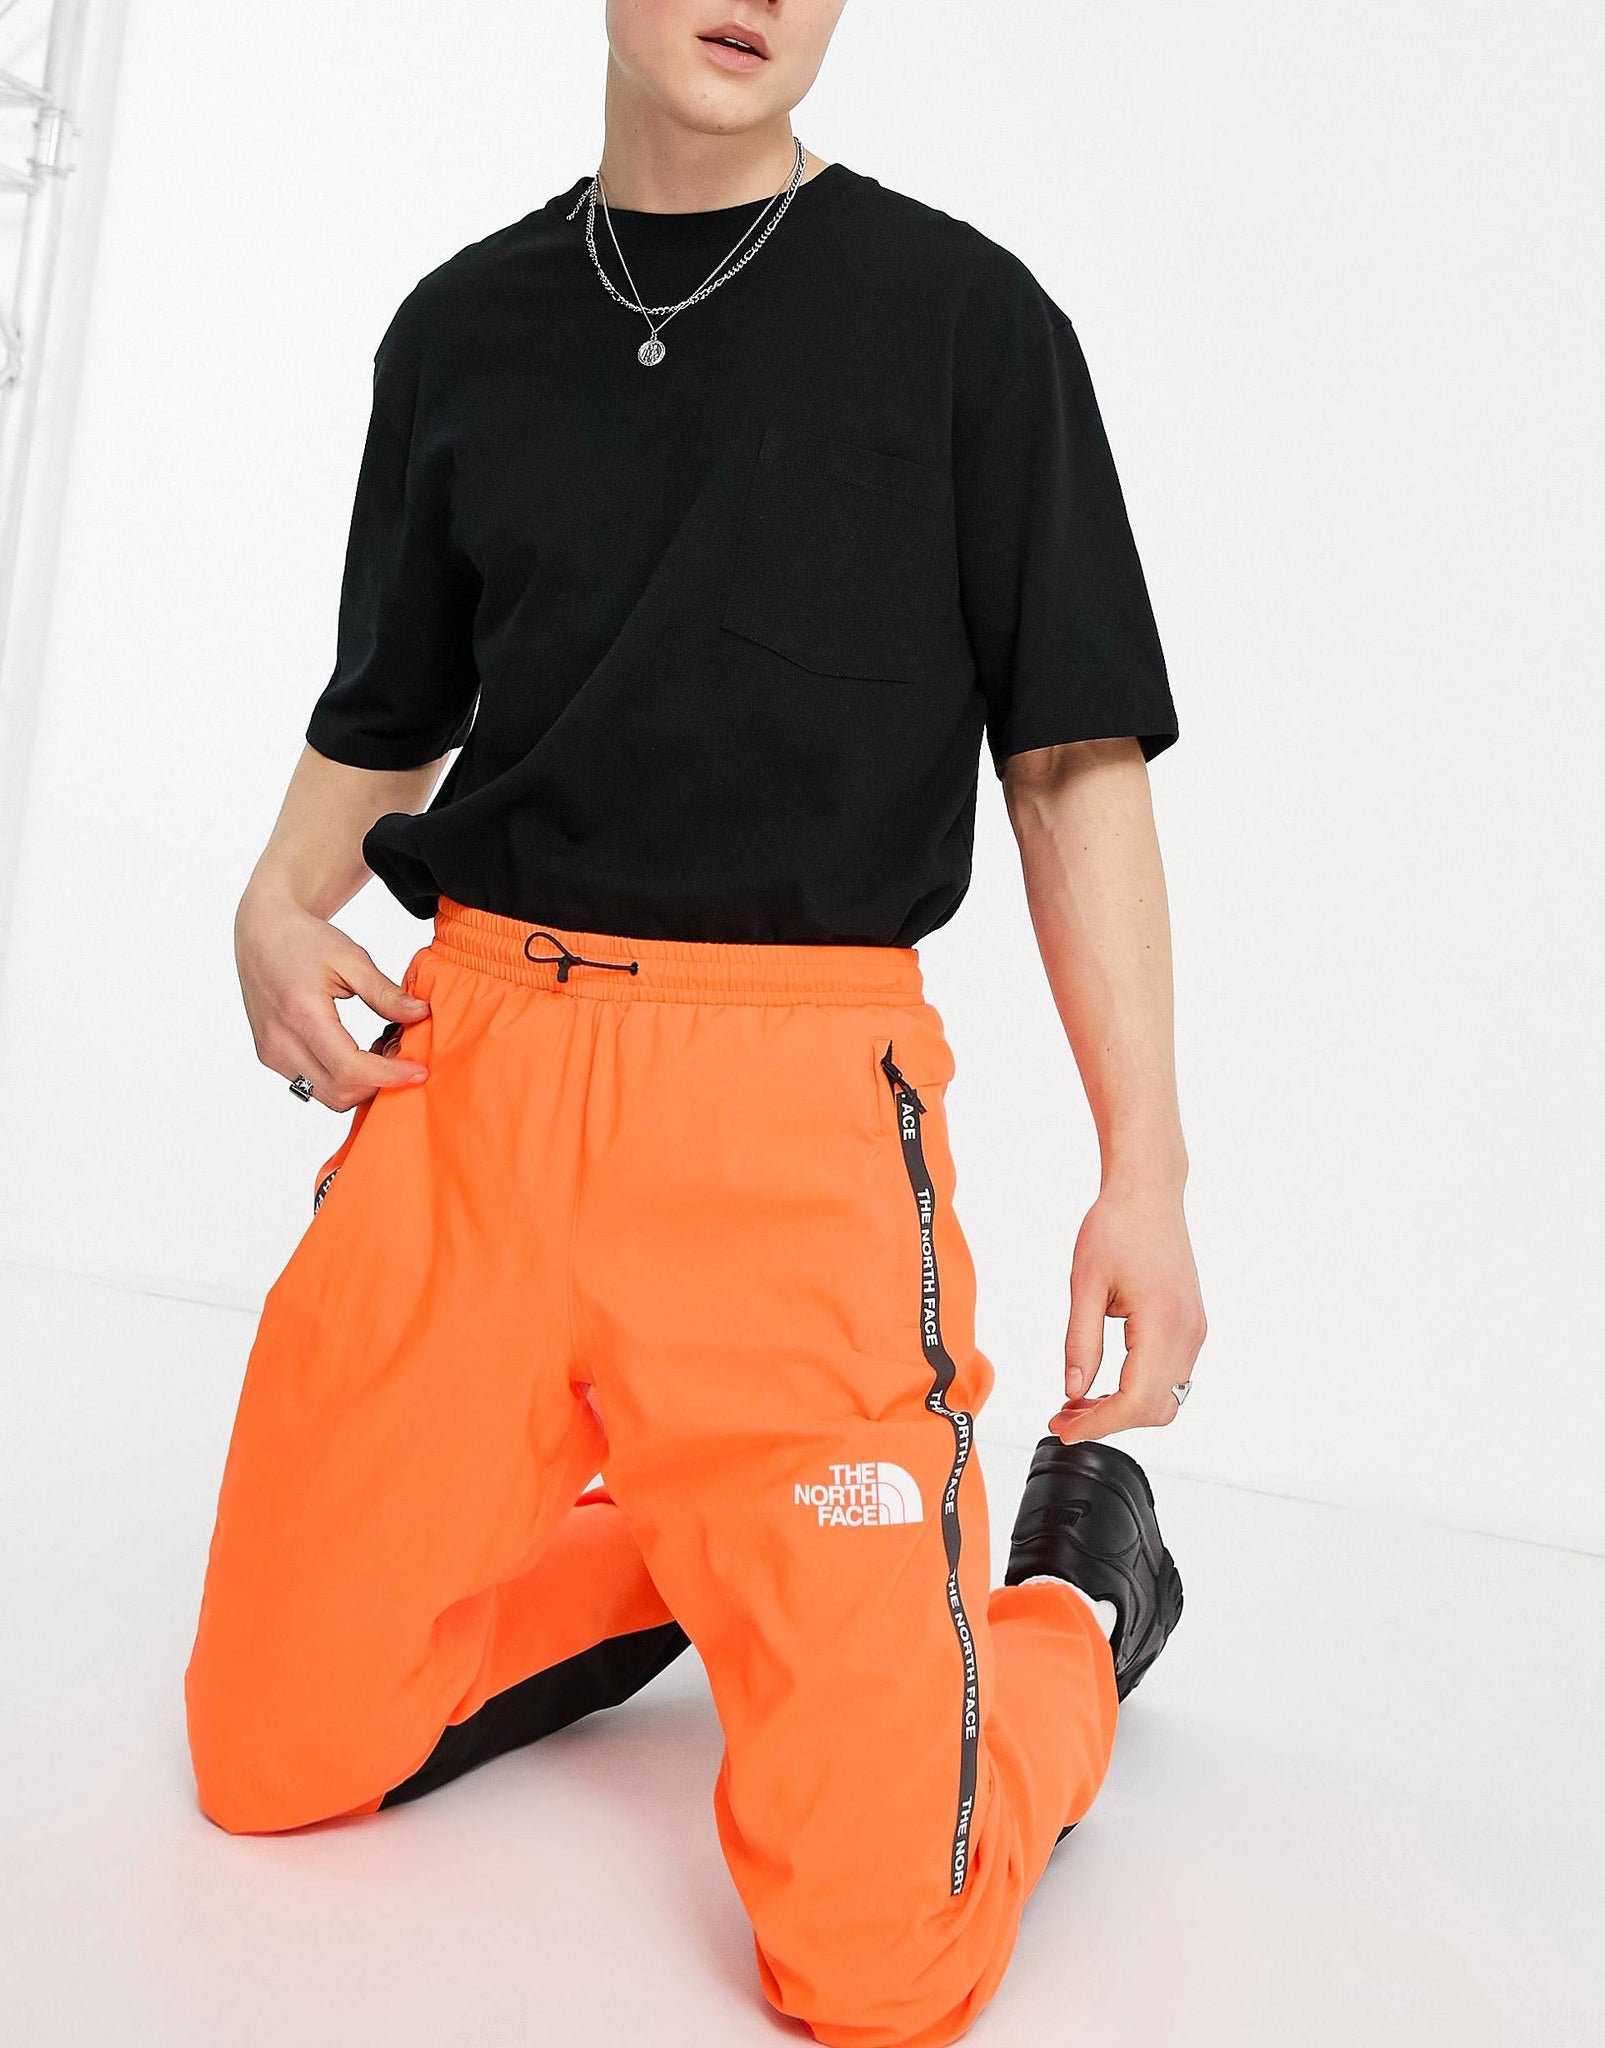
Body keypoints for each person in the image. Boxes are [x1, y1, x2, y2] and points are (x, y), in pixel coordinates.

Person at [184, 4, 1206, 2043]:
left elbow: (1070, 765)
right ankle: (708, 1553)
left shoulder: (965, 326)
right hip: (473, 1084)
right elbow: (388, 714)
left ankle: (1068, 1602)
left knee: (879, 1964)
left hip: (787, 1112)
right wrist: (271, 902)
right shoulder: (461, 329)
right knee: (270, 1749)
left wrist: (1145, 1174)